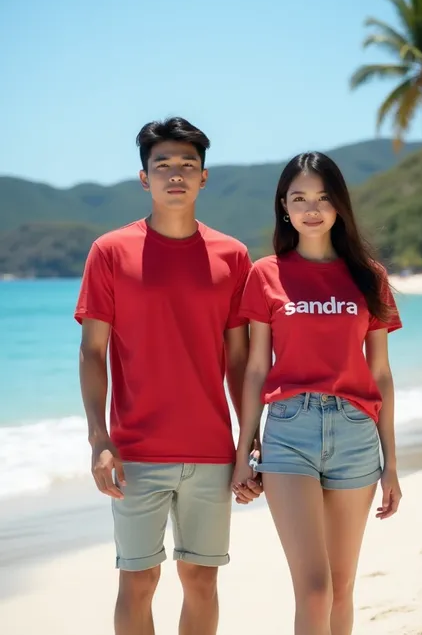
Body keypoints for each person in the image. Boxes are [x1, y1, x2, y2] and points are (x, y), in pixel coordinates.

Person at [74, 117, 262, 635]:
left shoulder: (232, 255)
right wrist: (100, 440)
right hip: (134, 452)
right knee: (138, 581)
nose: (175, 175)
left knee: (202, 580)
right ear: (144, 178)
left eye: (187, 165)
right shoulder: (110, 251)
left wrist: (248, 443)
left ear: (204, 178)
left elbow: (239, 361)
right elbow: (92, 352)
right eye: (163, 165)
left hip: (210, 450)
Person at [232, 151, 403, 635]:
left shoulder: (369, 276)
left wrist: (391, 462)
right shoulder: (266, 274)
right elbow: (254, 370)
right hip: (289, 431)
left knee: (342, 589)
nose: (312, 208)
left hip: (355, 434)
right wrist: (244, 450)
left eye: (323, 197)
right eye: (299, 197)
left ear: (339, 205)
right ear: (284, 207)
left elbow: (381, 375)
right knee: (314, 589)